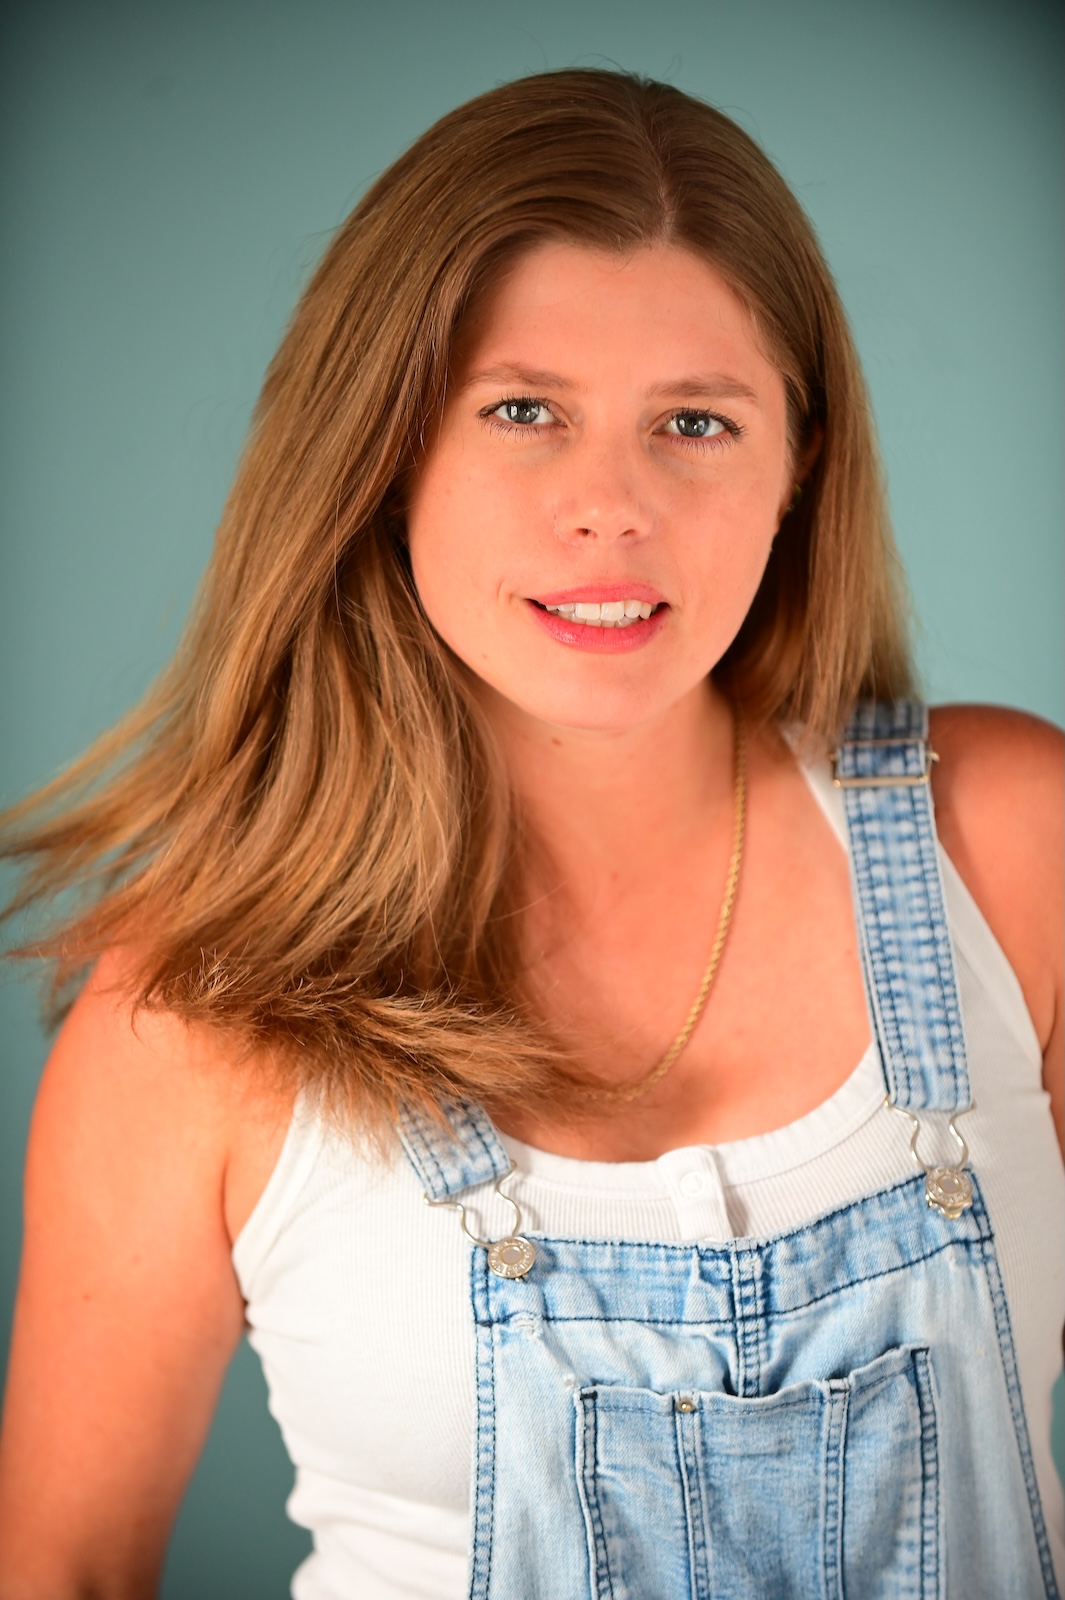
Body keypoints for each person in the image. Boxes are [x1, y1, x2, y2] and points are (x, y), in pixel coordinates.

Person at [0, 67, 1061, 1600]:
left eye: (692, 421)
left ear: (798, 466)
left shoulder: (1010, 849)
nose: (609, 507)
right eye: (522, 412)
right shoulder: (189, 1024)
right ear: (382, 456)